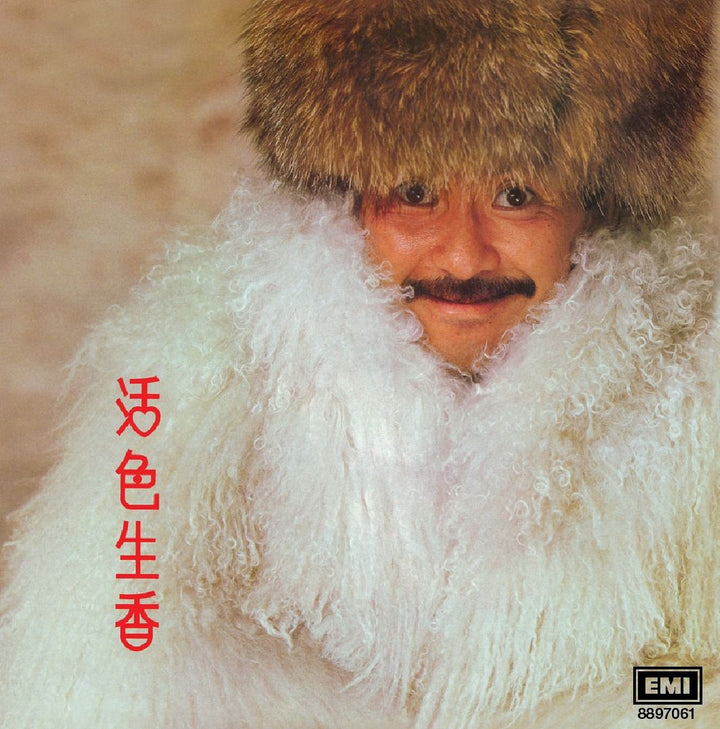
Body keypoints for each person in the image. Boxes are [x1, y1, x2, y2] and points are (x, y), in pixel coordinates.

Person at [2, 1, 719, 727]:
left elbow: (700, 686)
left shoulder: (699, 397)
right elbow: (104, 666)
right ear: (347, 197)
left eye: (515, 195)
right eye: (415, 193)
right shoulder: (186, 372)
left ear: (595, 205)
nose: (463, 255)